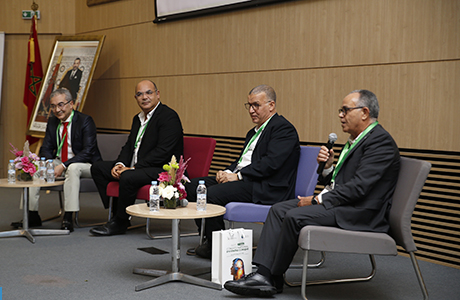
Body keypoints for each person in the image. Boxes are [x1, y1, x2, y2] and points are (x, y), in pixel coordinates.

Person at [224, 89, 401, 297]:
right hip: (343, 203)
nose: (340, 115)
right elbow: (337, 182)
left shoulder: (380, 142)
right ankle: (267, 276)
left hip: (360, 212)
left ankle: (269, 276)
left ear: (364, 112)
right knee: (279, 209)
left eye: (345, 110)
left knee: (293, 216)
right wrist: (327, 167)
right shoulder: (358, 140)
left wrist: (317, 199)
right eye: (340, 110)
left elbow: (359, 188)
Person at [186, 84, 300, 258]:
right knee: (193, 186)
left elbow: (271, 163)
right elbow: (241, 161)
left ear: (271, 105)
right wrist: (226, 171)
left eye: (256, 105)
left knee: (211, 194)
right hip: (247, 179)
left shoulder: (283, 129)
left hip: (267, 186)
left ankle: (217, 247)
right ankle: (209, 238)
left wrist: (238, 176)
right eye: (249, 105)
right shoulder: (253, 132)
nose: (252, 110)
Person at [89, 80, 184, 236]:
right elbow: (128, 147)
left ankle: (121, 222)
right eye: (139, 94)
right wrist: (119, 164)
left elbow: (163, 152)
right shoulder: (137, 118)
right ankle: (116, 213)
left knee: (128, 175)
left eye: (149, 93)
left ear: (158, 94)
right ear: (135, 98)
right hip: (138, 167)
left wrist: (133, 168)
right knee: (98, 168)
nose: (144, 97)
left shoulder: (168, 117)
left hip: (162, 169)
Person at [11, 88, 101, 232]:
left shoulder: (85, 121)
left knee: (72, 168)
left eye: (61, 105)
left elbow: (88, 151)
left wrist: (63, 166)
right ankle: (32, 215)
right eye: (53, 106)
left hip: (86, 164)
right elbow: (46, 148)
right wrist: (46, 164)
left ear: (71, 104)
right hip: (61, 162)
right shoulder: (52, 122)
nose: (57, 109)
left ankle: (68, 216)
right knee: (36, 167)